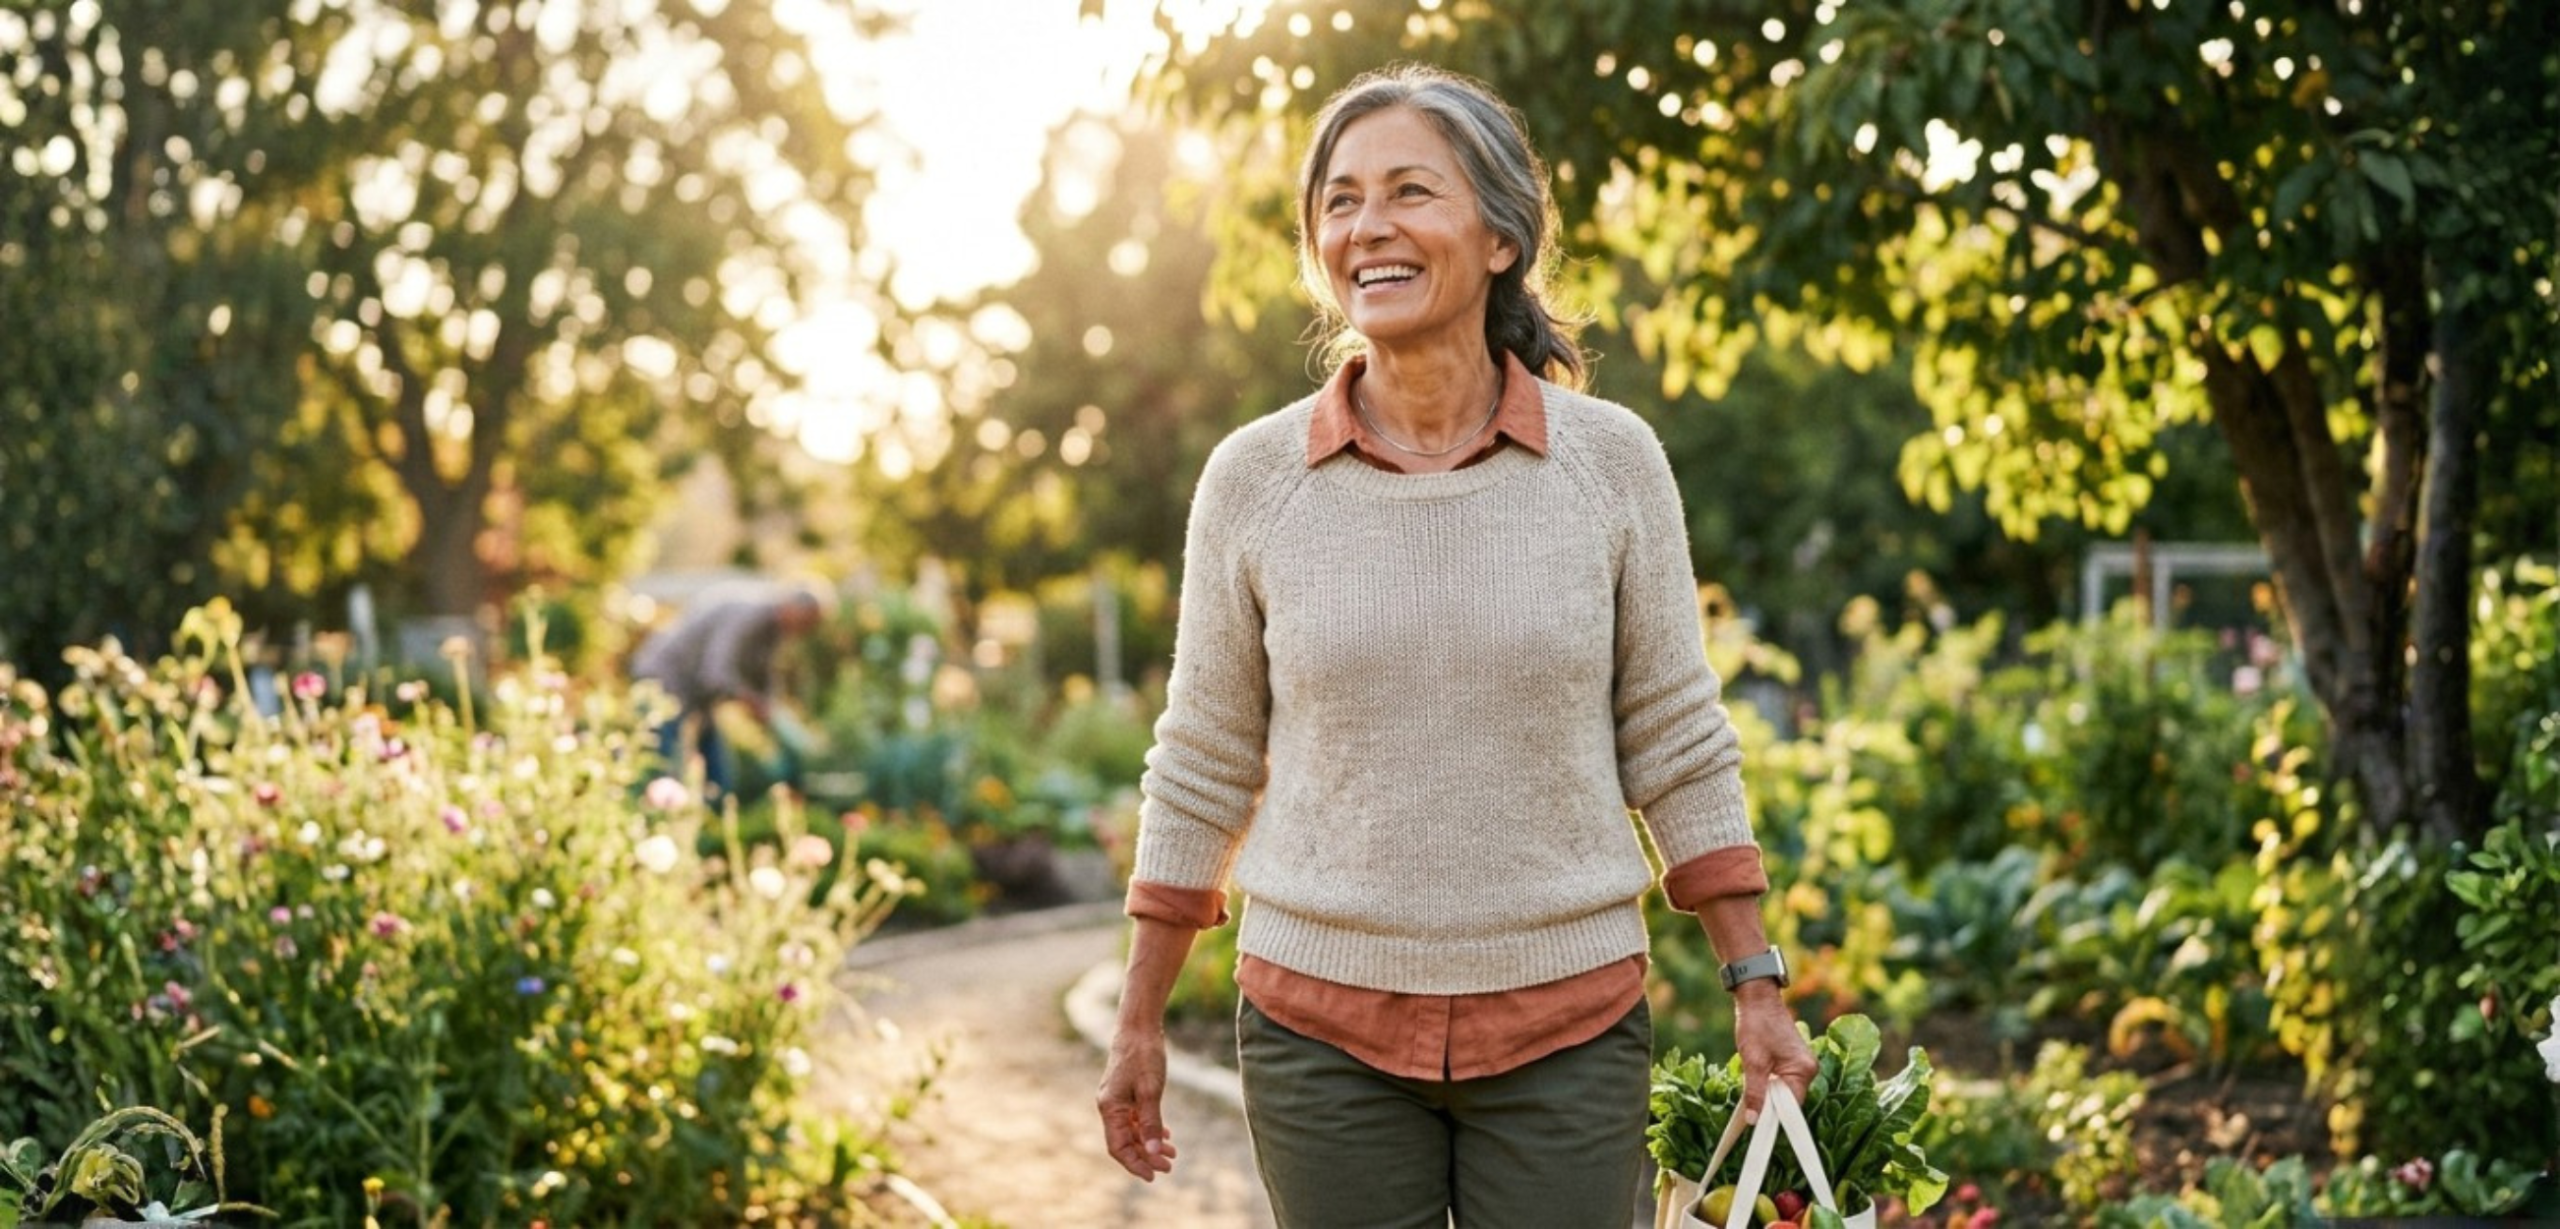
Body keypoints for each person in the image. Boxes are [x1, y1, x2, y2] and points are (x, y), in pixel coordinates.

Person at [1094, 65, 1818, 1228]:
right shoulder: (1254, 480)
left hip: (1564, 1026)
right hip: (1318, 1029)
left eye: (1409, 192)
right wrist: (1138, 1018)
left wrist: (1755, 982)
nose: (1366, 226)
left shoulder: (1610, 464)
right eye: (1338, 200)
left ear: (1498, 237)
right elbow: (1203, 757)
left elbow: (1676, 740)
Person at [630, 582, 825, 800]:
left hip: (699, 696)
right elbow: (715, 672)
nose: (805, 631)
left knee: (719, 777)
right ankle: (656, 816)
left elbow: (765, 676)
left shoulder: (774, 633)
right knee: (664, 766)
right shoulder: (746, 615)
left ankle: (710, 821)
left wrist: (770, 708)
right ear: (792, 608)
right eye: (806, 622)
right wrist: (751, 700)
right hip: (664, 681)